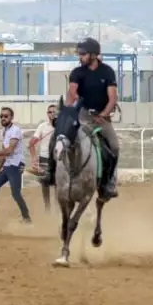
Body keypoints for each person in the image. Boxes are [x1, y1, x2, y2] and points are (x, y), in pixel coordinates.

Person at [48, 37, 120, 199]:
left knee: (114, 147)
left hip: (102, 118)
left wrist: (104, 114)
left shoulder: (107, 72)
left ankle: (108, 182)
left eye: (83, 54)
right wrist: (67, 112)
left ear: (93, 55)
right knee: (57, 137)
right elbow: (72, 93)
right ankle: (51, 173)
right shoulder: (77, 73)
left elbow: (112, 98)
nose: (80, 57)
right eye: (79, 54)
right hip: (82, 115)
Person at [27, 103, 58, 211]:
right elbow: (31, 143)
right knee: (45, 183)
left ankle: (58, 208)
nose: (52, 114)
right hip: (45, 158)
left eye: (54, 111)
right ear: (47, 114)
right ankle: (47, 207)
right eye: (50, 112)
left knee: (59, 184)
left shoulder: (62, 126)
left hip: (59, 159)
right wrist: (34, 159)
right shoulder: (43, 126)